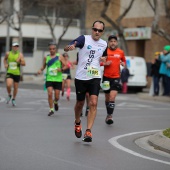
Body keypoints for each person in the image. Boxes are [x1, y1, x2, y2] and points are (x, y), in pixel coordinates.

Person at [64, 20, 107, 142]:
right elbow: (68, 46)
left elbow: (105, 56)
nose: (97, 32)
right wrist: (69, 47)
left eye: (99, 30)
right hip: (81, 77)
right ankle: (77, 122)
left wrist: (105, 59)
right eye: (95, 29)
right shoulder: (84, 39)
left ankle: (88, 131)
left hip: (95, 75)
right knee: (80, 104)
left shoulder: (104, 44)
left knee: (93, 102)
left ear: (102, 32)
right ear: (92, 29)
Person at [38, 42, 67, 116]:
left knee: (57, 97)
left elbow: (66, 66)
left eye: (53, 49)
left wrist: (61, 69)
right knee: (50, 94)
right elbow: (43, 66)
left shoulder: (60, 56)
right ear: (49, 49)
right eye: (50, 49)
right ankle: (51, 109)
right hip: (49, 78)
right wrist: (40, 70)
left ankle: (55, 102)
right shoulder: (46, 57)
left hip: (58, 79)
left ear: (56, 49)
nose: (52, 50)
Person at [102, 35, 126, 125]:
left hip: (116, 77)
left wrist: (123, 63)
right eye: (111, 41)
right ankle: (108, 113)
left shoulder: (120, 52)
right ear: (108, 42)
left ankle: (110, 116)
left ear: (117, 42)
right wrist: (104, 63)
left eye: (114, 41)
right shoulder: (104, 51)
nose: (113, 43)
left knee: (112, 97)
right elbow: (98, 62)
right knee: (107, 97)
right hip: (106, 77)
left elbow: (124, 61)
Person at [4, 42, 26, 106]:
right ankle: (9, 95)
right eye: (14, 46)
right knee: (8, 85)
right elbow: (5, 59)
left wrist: (20, 61)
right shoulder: (8, 53)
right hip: (10, 72)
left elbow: (24, 64)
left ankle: (13, 99)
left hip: (17, 73)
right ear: (12, 47)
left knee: (15, 87)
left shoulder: (20, 55)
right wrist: (5, 64)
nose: (16, 47)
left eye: (17, 46)